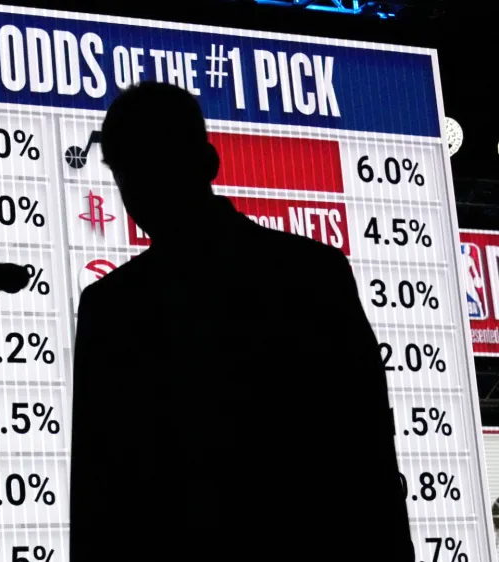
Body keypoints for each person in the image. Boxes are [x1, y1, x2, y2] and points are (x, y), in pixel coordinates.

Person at [69, 82, 413, 561]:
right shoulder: (314, 273)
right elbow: (368, 457)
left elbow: (99, 499)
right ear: (209, 162)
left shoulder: (112, 308)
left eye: (133, 172)